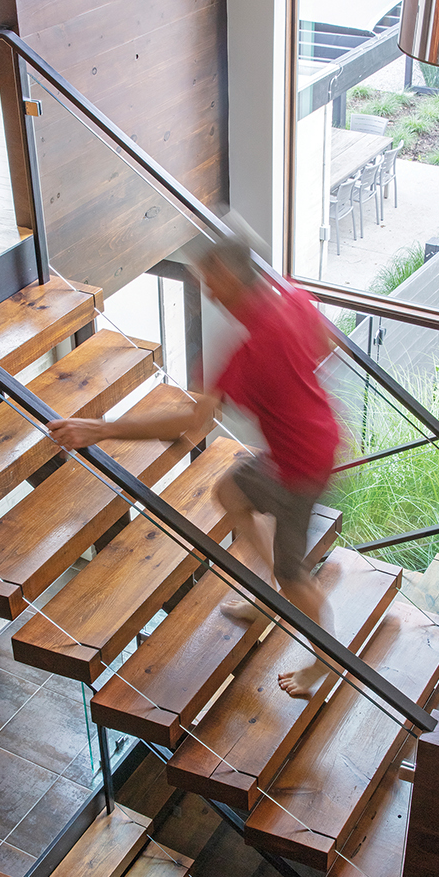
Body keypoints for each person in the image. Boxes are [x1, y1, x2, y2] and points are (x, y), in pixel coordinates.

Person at [46, 237, 341, 698]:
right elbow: (327, 340)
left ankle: (326, 661)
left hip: (301, 467)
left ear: (230, 276)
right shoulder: (295, 301)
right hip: (307, 447)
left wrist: (100, 430)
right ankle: (269, 599)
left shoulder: (246, 355)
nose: (206, 290)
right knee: (230, 492)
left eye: (211, 279)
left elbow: (190, 423)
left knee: (294, 573)